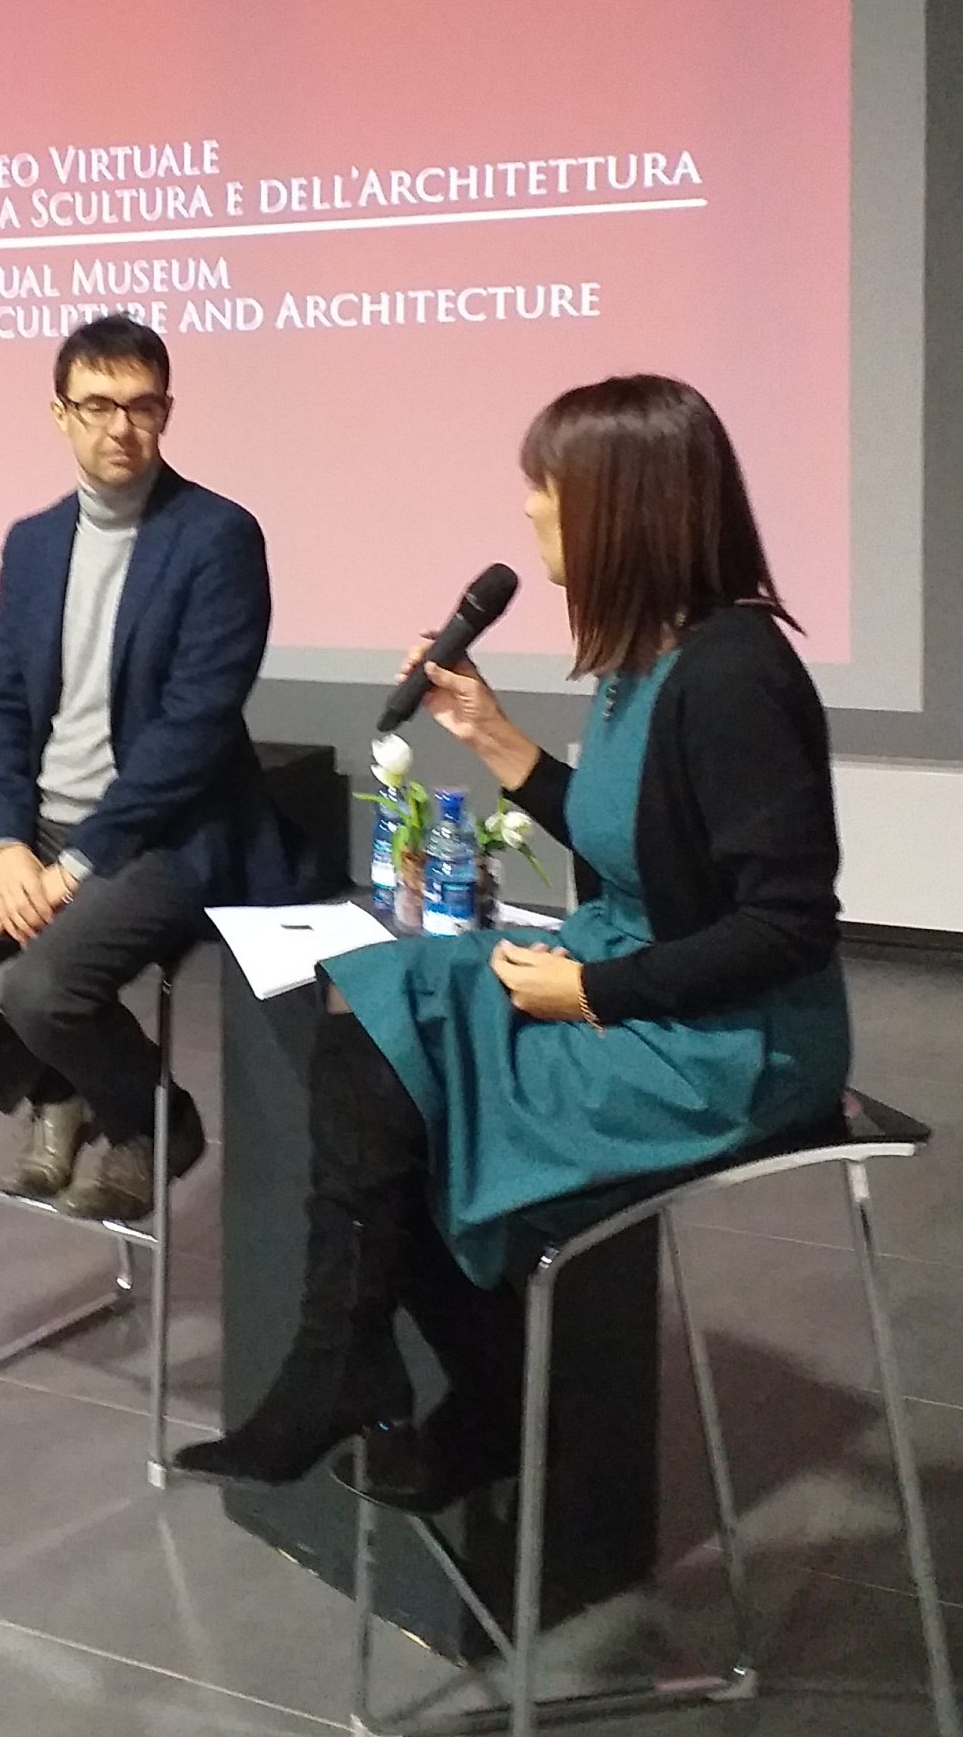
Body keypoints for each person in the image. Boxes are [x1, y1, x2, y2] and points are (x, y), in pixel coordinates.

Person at [175, 373, 852, 1505]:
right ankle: (386, 1369)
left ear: (621, 505)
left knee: (405, 1073)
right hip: (634, 971)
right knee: (376, 1006)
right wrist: (492, 737)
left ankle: (417, 1380)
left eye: (548, 487)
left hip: (725, 1039)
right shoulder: (649, 659)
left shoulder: (736, 675)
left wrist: (592, 994)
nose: (531, 509)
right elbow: (632, 841)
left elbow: (787, 928)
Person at [0, 314, 314, 1223]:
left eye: (141, 405)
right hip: (41, 829)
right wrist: (5, 843)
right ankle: (52, 1090)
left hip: (163, 837)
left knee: (44, 988)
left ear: (166, 411)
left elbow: (196, 725)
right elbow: (2, 704)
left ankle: (152, 1122)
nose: (119, 426)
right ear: (60, 414)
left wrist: (80, 861)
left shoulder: (217, 536)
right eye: (97, 405)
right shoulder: (33, 541)